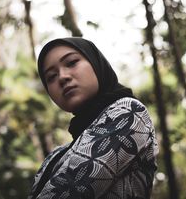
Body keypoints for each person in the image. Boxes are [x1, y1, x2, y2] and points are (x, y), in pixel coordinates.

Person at [28, 37, 158, 199]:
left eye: (71, 62)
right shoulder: (56, 154)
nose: (62, 77)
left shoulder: (129, 112)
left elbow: (70, 189)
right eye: (51, 77)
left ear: (96, 63)